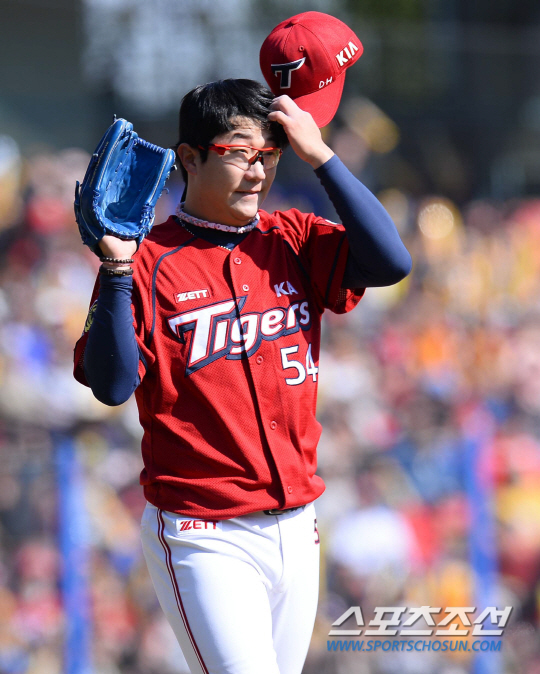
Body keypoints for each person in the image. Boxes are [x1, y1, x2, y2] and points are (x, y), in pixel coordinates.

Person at [74, 78, 411, 674]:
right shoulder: (146, 260)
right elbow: (113, 384)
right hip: (204, 533)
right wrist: (117, 270)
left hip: (298, 525)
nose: (257, 172)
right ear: (190, 157)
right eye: (239, 153)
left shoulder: (292, 238)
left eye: (269, 155)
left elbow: (391, 261)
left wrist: (321, 155)